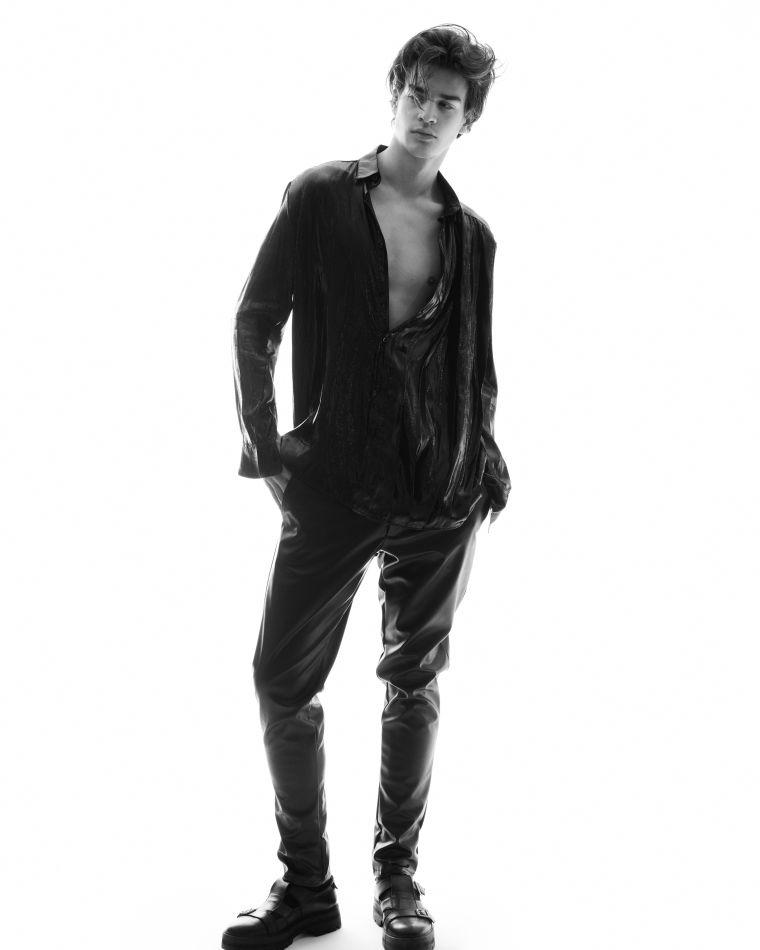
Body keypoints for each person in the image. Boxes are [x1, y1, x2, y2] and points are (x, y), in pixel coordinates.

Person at [223, 23, 511, 950]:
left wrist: (483, 473)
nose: (428, 114)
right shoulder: (319, 196)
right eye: (417, 94)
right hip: (336, 479)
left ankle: (398, 881)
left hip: (438, 492)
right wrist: (267, 449)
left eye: (448, 104)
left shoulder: (473, 238)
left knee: (413, 682)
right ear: (395, 93)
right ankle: (306, 885)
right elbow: (256, 320)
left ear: (467, 122)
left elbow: (475, 369)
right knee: (280, 680)